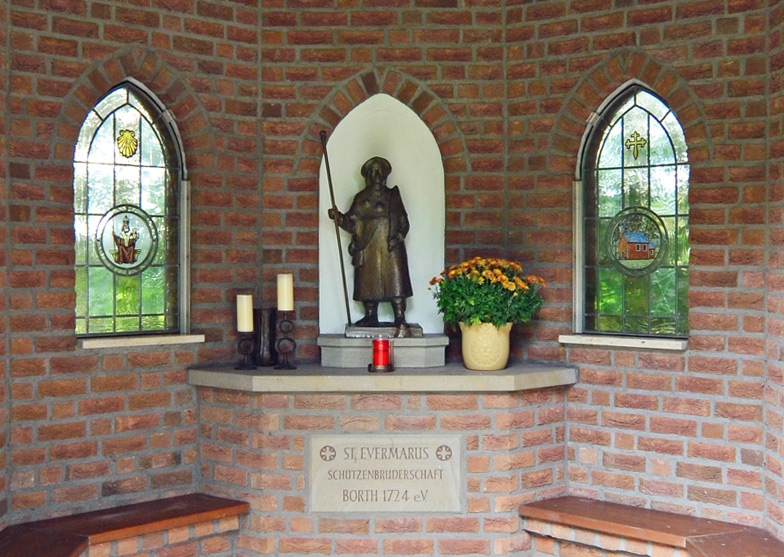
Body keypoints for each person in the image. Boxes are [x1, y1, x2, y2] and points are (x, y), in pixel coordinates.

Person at [328, 156, 413, 329]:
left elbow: (404, 222)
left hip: (391, 246)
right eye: (373, 172)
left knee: (395, 280)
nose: (377, 176)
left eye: (380, 172)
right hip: (368, 245)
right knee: (368, 280)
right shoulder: (361, 198)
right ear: (367, 176)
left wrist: (397, 238)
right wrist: (339, 218)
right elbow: (352, 223)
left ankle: (399, 316)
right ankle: (370, 315)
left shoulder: (393, 196)